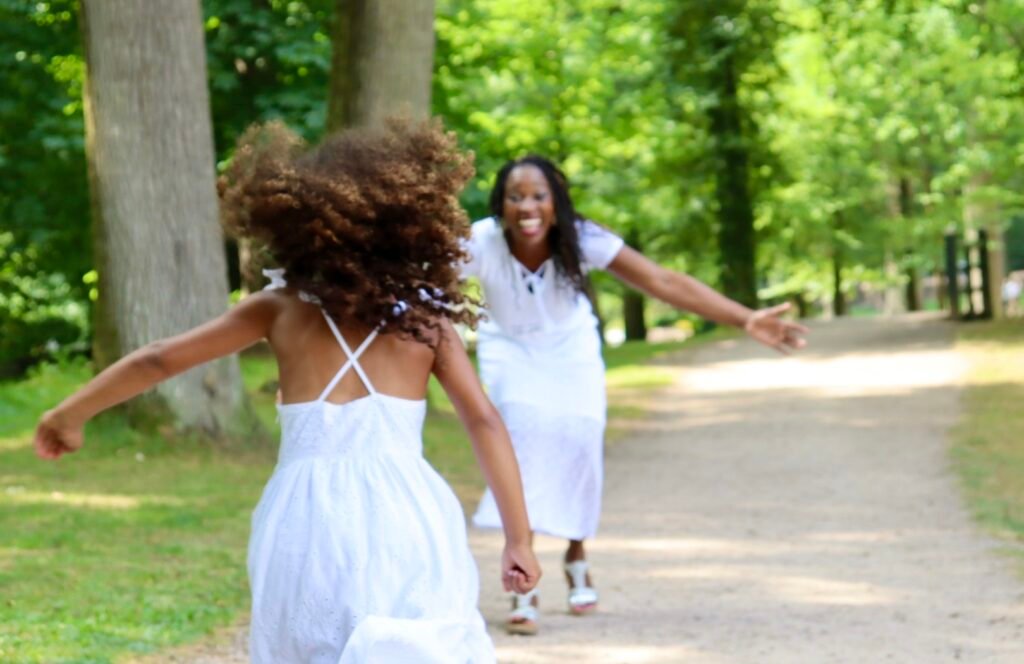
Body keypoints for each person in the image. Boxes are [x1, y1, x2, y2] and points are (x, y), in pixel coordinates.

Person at [33, 119, 541, 663]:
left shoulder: (277, 309)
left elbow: (158, 359)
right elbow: (483, 421)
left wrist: (69, 414)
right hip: (407, 510)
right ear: (410, 226)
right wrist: (519, 539)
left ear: (300, 226)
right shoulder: (426, 321)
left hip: (306, 516)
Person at [463, 155, 807, 635]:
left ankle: (576, 554)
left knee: (581, 441)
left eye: (539, 195)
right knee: (521, 439)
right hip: (510, 349)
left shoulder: (581, 236)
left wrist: (744, 318)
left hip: (571, 349)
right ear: (500, 202)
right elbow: (420, 282)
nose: (527, 207)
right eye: (515, 196)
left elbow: (661, 280)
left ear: (556, 202)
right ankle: (525, 579)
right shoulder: (480, 241)